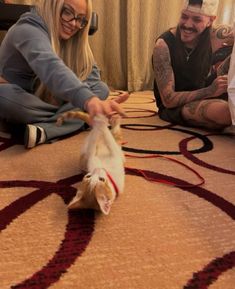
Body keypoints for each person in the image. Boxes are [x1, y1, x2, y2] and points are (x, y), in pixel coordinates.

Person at [0, 0, 128, 149]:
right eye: (67, 12)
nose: (74, 24)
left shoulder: (76, 38)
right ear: (52, 6)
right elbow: (51, 68)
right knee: (3, 96)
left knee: (101, 88)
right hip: (22, 100)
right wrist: (90, 103)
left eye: (81, 19)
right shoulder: (27, 28)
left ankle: (46, 129)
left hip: (46, 101)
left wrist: (93, 101)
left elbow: (92, 77)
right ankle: (76, 119)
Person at [152, 0, 234, 131]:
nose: (187, 24)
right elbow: (168, 100)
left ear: (211, 21)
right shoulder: (163, 45)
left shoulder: (216, 34)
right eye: (184, 16)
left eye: (196, 19)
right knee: (226, 112)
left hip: (206, 89)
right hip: (176, 105)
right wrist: (210, 91)